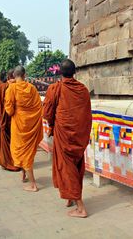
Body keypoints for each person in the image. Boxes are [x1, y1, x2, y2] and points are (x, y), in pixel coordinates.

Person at [43, 59, 92, 218]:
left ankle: (80, 207)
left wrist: (52, 125)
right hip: (79, 134)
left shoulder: (55, 88)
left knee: (67, 168)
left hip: (64, 134)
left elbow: (47, 113)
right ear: (75, 72)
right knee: (75, 165)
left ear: (59, 73)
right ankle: (71, 197)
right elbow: (86, 113)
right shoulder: (83, 89)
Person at [5, 65, 43, 192]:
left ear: (14, 76)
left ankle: (33, 184)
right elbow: (39, 107)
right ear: (25, 75)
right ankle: (24, 174)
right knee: (26, 153)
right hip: (30, 124)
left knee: (21, 152)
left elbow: (9, 110)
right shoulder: (31, 88)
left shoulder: (12, 88)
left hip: (18, 124)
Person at [0, 69, 20, 172]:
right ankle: (19, 162)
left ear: (8, 77)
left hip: (6, 119)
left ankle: (7, 162)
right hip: (17, 120)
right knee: (17, 142)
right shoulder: (22, 86)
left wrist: (1, 120)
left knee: (6, 142)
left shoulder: (3, 87)